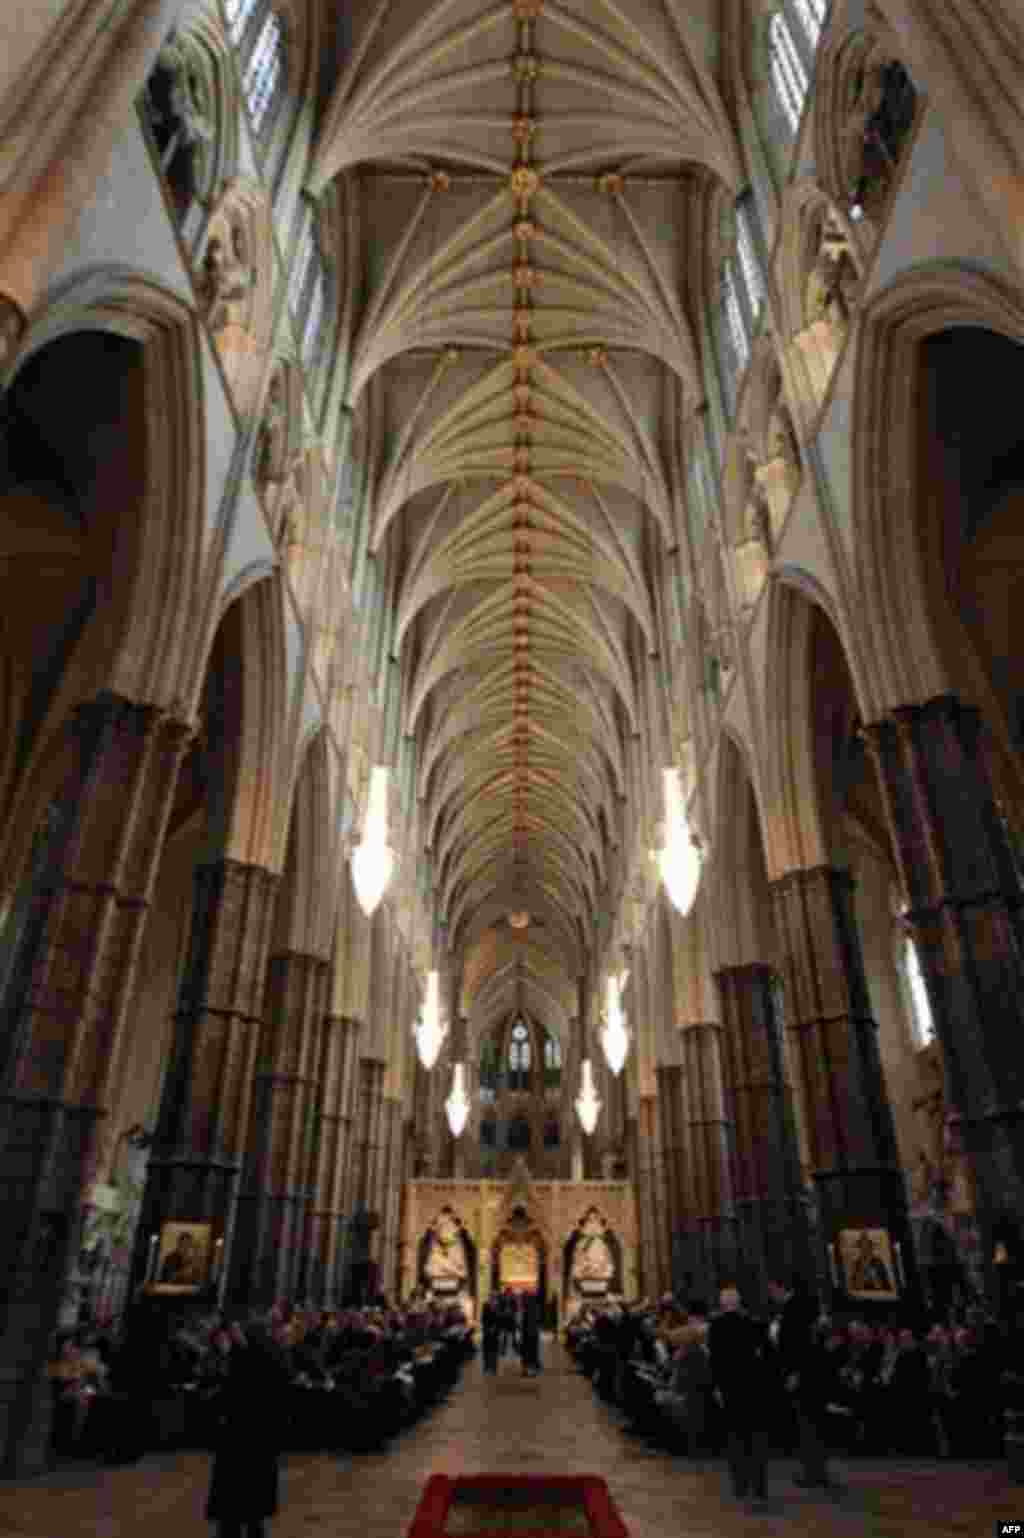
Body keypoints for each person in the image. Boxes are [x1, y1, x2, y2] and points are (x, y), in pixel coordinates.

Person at [205, 1321, 292, 1538]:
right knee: (253, 1504)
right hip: (258, 1436)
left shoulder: (244, 1358)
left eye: (235, 1332)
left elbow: (231, 1393)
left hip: (240, 1435)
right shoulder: (268, 1355)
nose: (232, 1337)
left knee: (235, 1502)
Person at [768, 1276, 838, 1491]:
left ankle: (812, 1473)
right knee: (816, 1421)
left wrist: (792, 1373)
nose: (772, 1296)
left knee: (806, 1423)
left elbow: (795, 1345)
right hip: (817, 1373)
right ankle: (820, 1471)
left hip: (802, 1374)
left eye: (772, 1291)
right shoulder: (810, 1304)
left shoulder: (792, 1309)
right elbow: (818, 1337)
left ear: (781, 1288)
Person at [708, 1286, 774, 1505]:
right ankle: (759, 1487)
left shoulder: (716, 1326)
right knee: (756, 1439)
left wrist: (716, 1386)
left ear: (723, 1304)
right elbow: (765, 1356)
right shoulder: (754, 1324)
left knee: (735, 1438)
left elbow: (715, 1360)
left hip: (730, 1389)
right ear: (738, 1303)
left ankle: (740, 1485)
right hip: (753, 1389)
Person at [520, 1289, 542, 1376]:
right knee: (531, 1352)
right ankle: (530, 1369)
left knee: (529, 1353)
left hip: (529, 1334)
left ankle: (529, 1370)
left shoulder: (530, 1308)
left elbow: (530, 1322)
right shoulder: (535, 1307)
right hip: (531, 1333)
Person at [481, 1295, 502, 1375]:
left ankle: (493, 1368)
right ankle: (486, 1367)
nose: (493, 1300)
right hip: (487, 1332)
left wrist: (495, 1328)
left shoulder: (498, 1307)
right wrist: (488, 1328)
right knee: (486, 1350)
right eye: (491, 1298)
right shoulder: (485, 1306)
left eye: (494, 1298)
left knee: (494, 1351)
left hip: (495, 1332)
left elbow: (499, 1319)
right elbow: (483, 1318)